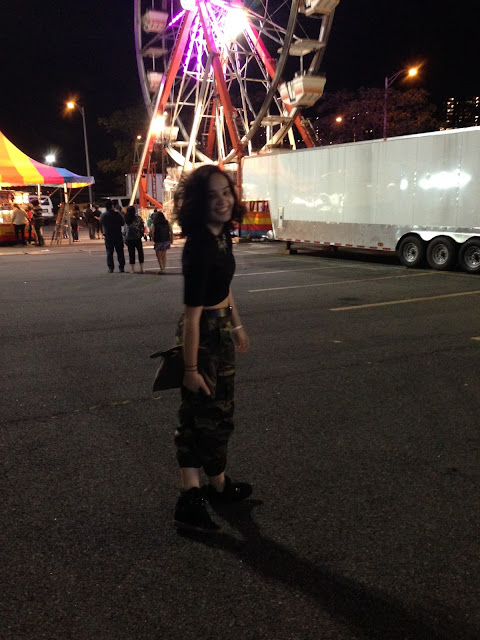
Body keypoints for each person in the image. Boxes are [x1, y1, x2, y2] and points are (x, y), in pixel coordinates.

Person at [172, 165, 251, 534]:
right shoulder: (200, 246)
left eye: (226, 192)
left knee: (204, 414)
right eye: (211, 196)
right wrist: (190, 370)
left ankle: (212, 487)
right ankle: (195, 496)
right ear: (198, 203)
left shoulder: (222, 236)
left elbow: (224, 287)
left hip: (218, 328)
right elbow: (191, 315)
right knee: (208, 415)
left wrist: (236, 323)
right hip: (203, 336)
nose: (222, 201)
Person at [99, 199, 125, 273]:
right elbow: (122, 223)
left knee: (109, 252)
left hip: (108, 235)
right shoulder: (117, 214)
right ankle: (121, 267)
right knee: (120, 252)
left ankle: (111, 268)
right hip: (118, 235)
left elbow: (101, 222)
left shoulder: (103, 215)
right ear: (112, 206)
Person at [124, 205, 145, 273]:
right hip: (137, 237)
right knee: (140, 252)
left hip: (129, 238)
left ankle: (132, 269)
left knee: (131, 253)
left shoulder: (126, 218)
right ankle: (141, 268)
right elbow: (142, 227)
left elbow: (124, 229)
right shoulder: (138, 218)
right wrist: (142, 234)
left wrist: (124, 237)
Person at [151, 208, 173, 274]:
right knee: (164, 255)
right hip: (166, 240)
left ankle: (162, 269)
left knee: (159, 256)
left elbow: (152, 232)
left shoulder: (154, 224)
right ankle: (164, 268)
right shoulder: (167, 222)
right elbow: (171, 231)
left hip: (158, 241)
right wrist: (171, 239)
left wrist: (153, 239)